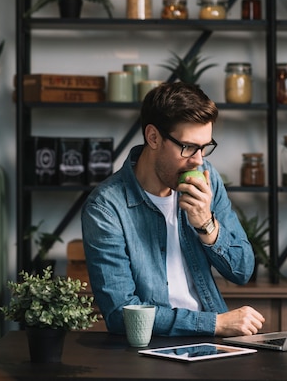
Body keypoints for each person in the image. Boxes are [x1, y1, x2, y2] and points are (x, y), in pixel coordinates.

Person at [81, 82, 265, 337]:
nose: (199, 160)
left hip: (214, 346)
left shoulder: (207, 178)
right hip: (150, 350)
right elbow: (121, 313)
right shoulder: (106, 208)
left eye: (205, 147)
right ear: (153, 137)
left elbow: (243, 271)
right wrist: (215, 324)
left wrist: (206, 224)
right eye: (188, 147)